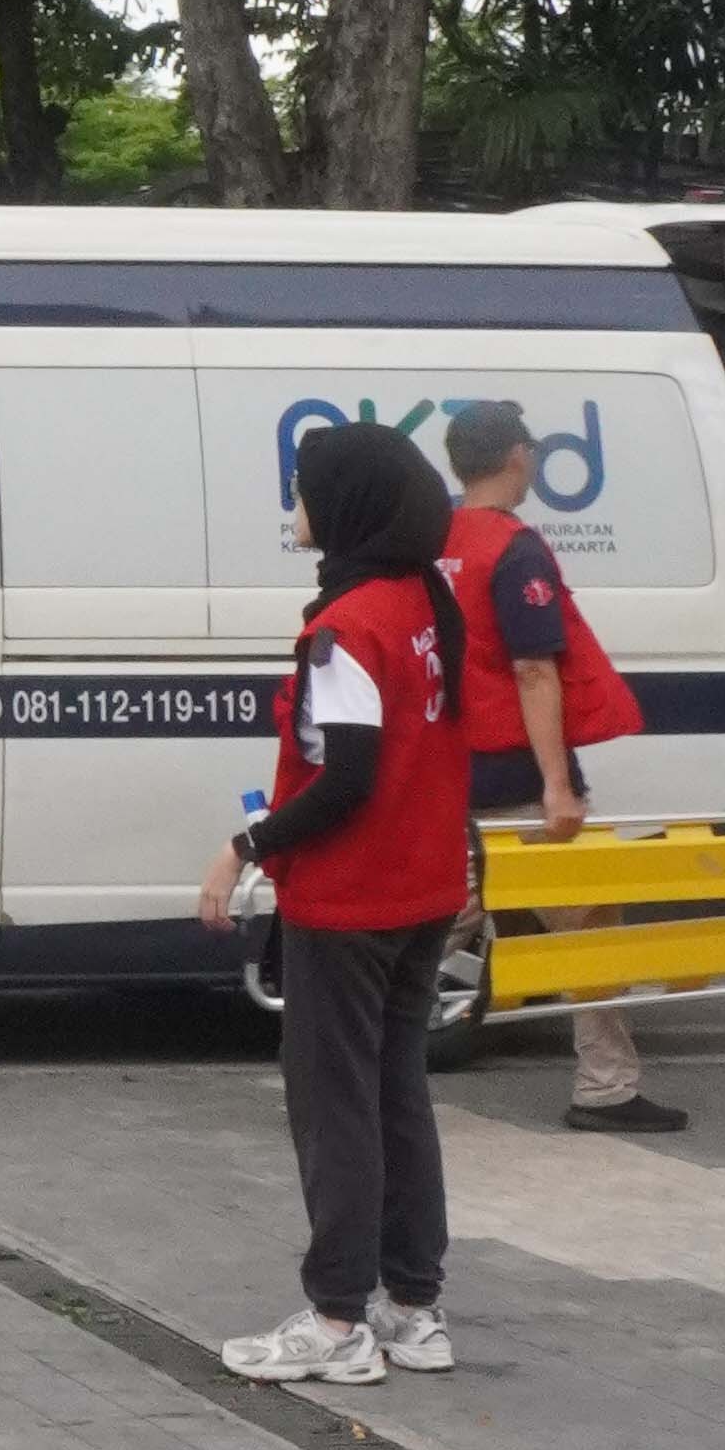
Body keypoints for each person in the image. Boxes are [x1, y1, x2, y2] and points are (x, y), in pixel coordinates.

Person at [204, 414, 475, 1390]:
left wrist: (246, 847)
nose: (296, 504)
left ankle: (335, 1320)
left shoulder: (347, 628)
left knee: (335, 1108)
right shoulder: (423, 600)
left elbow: (348, 778)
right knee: (397, 1093)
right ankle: (412, 1307)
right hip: (423, 888)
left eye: (305, 488)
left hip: (352, 898)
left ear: (347, 504)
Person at [445, 397, 681, 1138]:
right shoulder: (514, 550)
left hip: (445, 770)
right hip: (513, 775)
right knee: (589, 927)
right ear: (519, 456)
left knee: (431, 922)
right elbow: (533, 670)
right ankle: (606, 1090)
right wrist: (557, 784)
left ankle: (335, 1061)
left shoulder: (432, 542)